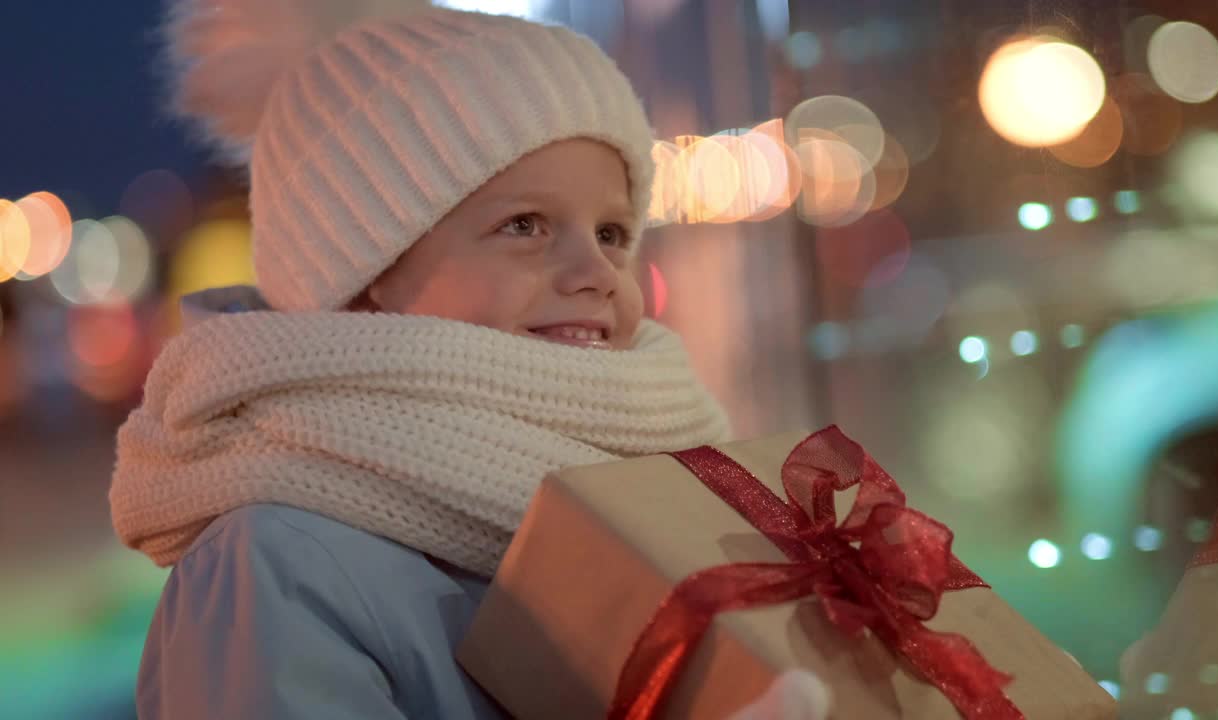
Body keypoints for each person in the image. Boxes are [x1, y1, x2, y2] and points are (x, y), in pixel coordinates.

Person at [109, 1, 830, 718]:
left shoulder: (670, 504)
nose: (599, 271)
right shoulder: (277, 567)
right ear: (367, 276)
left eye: (613, 232)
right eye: (524, 225)